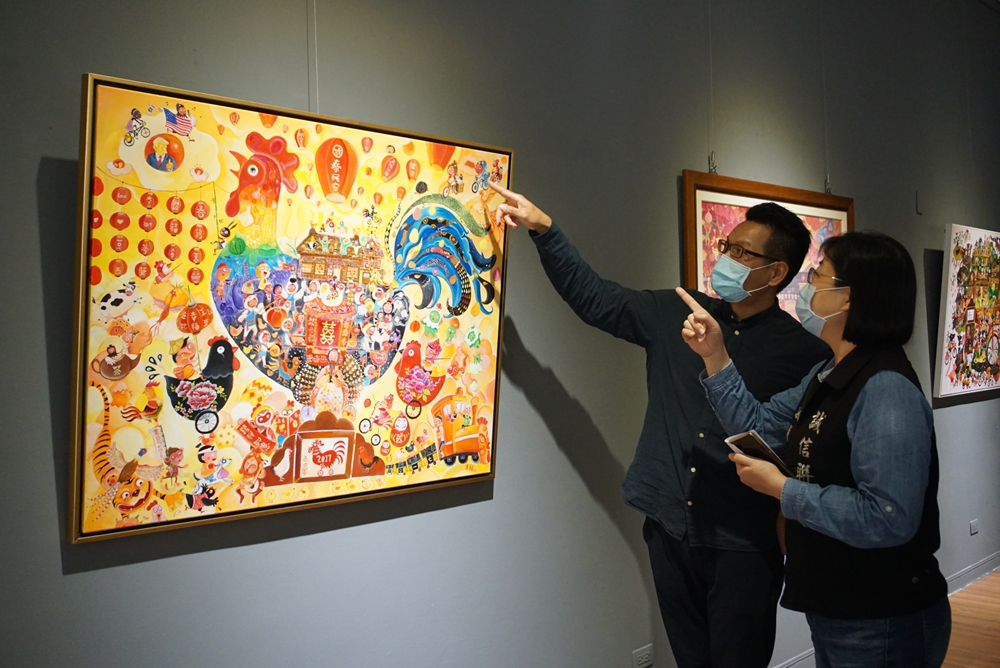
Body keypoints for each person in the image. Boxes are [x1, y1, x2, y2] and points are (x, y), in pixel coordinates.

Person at [490, 182, 830, 668]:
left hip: (743, 540)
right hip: (669, 524)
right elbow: (597, 299)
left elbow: (799, 446)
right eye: (727, 246)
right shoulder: (679, 310)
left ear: (776, 272)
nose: (727, 258)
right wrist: (544, 229)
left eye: (742, 253)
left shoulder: (803, 352)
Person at [678, 231, 951, 667]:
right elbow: (759, 424)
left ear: (848, 298)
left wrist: (782, 490)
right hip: (837, 604)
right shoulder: (830, 370)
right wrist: (714, 355)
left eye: (817, 276)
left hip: (880, 614)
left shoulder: (885, 388)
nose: (806, 287)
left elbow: (888, 517)